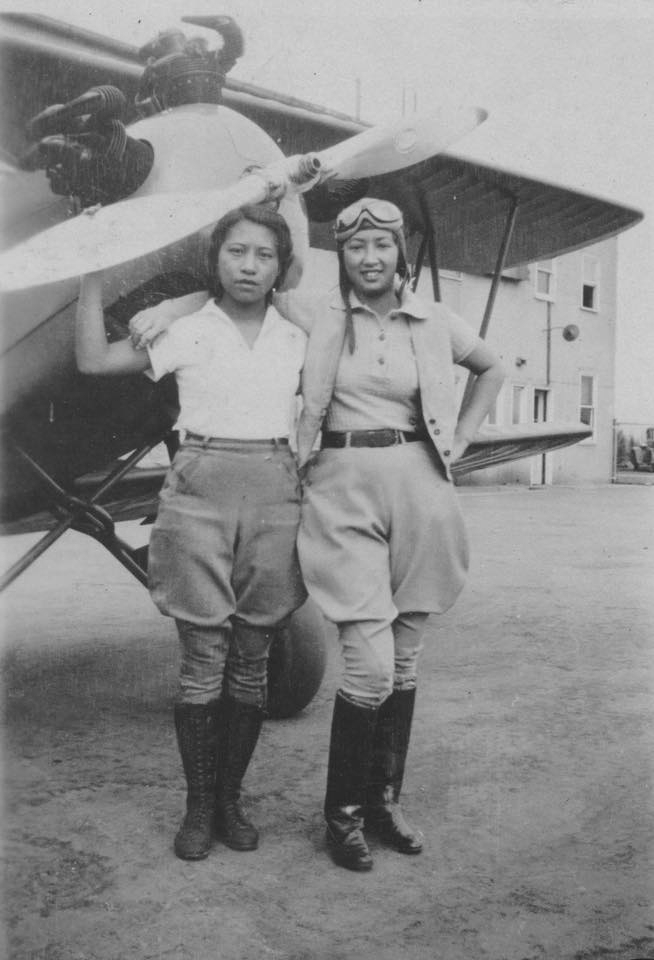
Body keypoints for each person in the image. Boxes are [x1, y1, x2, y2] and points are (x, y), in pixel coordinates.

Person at [75, 204, 307, 861]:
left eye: (264, 255)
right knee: (203, 662)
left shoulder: (299, 328)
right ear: (216, 258)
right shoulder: (190, 329)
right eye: (236, 252)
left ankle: (231, 800)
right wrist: (92, 268)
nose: (249, 266)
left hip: (275, 490)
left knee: (253, 661)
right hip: (199, 487)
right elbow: (93, 360)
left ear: (279, 266)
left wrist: (185, 296)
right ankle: (199, 807)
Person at [295, 197, 505, 872]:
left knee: (407, 662)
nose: (369, 258)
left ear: (400, 251)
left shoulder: (435, 320)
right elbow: (247, 285)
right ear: (342, 257)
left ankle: (383, 804)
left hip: (422, 489)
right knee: (371, 665)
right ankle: (342, 816)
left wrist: (466, 437)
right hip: (341, 492)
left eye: (381, 245)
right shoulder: (317, 314)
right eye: (355, 248)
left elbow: (495, 367)